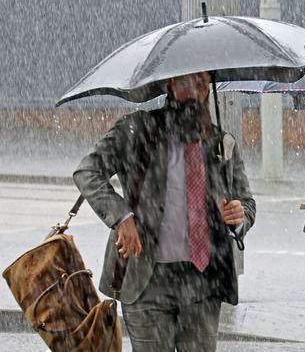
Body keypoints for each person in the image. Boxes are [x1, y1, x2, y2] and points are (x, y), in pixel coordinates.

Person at [73, 72, 256, 351]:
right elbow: (88, 172)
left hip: (203, 283)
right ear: (168, 85)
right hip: (147, 281)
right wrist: (122, 217)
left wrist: (239, 216)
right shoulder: (136, 130)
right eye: (185, 83)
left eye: (201, 84)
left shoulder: (223, 144)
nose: (194, 93)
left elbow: (246, 203)